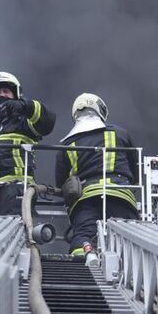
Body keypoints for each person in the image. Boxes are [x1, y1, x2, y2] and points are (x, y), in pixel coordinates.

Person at [55, 93, 139, 267]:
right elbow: (134, 170)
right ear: (100, 111)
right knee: (130, 238)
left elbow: (61, 184)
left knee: (83, 236)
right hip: (121, 196)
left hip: (86, 199)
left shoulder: (67, 143)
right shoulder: (120, 134)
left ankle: (82, 260)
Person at [0, 70, 56, 215]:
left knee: (14, 231)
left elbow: (47, 121)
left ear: (15, 94)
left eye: (6, 91)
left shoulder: (23, 122)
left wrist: (25, 107)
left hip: (16, 190)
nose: (1, 95)